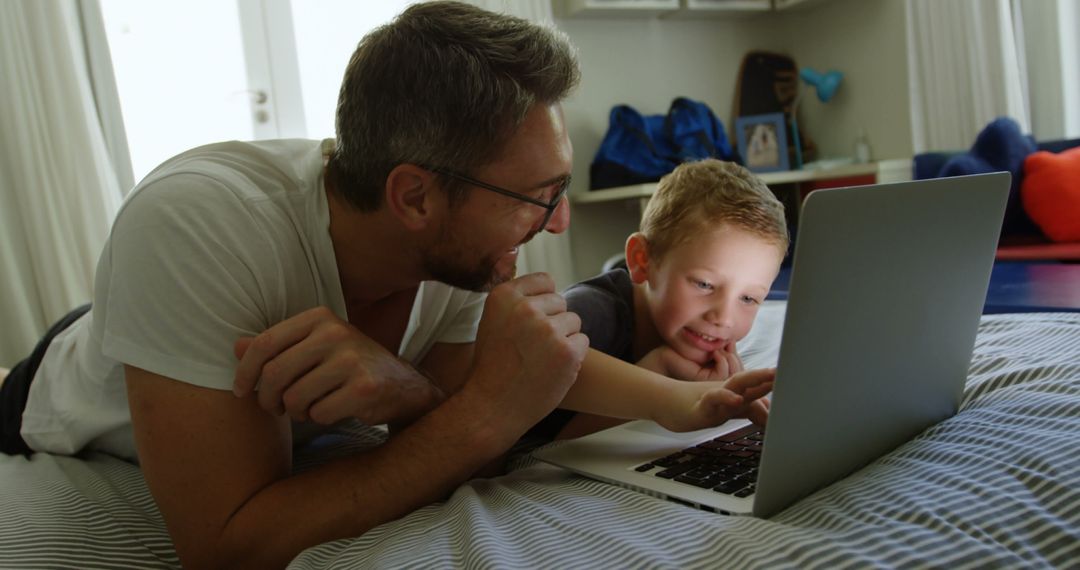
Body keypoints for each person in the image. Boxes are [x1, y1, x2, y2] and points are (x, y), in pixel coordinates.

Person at [0, 3, 772, 568]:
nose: (562, 222)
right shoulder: (196, 223)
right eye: (538, 195)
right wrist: (480, 419)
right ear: (414, 197)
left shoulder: (454, 250)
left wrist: (687, 404)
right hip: (68, 386)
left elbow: (463, 388)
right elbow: (227, 547)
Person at [533, 159, 788, 440]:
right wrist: (660, 369)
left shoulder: (699, 342)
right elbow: (552, 446)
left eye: (749, 298)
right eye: (704, 284)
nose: (724, 318)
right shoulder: (591, 311)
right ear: (642, 261)